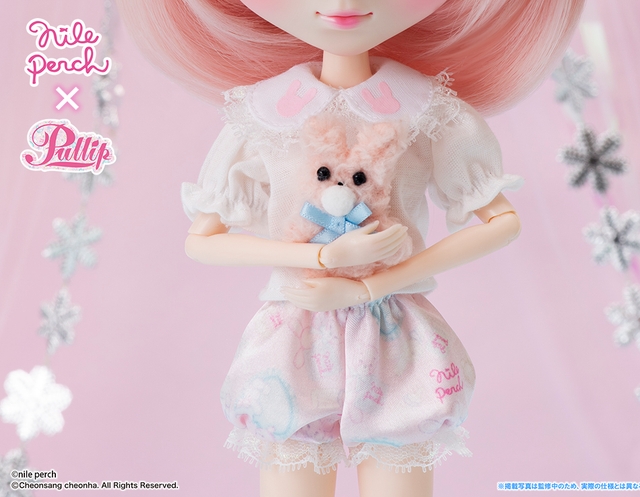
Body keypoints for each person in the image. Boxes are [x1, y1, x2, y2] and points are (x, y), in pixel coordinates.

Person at [117, 1, 584, 495]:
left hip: (392, 333)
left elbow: (502, 222)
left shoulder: (426, 109)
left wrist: (371, 286)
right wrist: (318, 258)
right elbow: (202, 241)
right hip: (294, 335)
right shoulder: (264, 113)